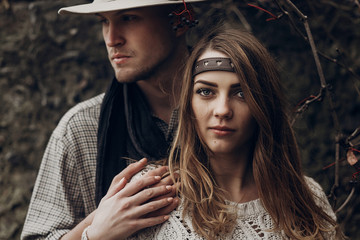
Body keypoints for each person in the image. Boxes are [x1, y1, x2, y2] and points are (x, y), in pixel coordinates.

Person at [126, 27, 344, 239]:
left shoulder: (306, 196)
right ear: (188, 102)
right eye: (206, 92)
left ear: (264, 105)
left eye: (241, 93)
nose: (222, 110)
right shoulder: (151, 191)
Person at [21, 0, 207, 239]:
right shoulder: (81, 128)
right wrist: (99, 226)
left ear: (180, 20)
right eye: (104, 21)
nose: (112, 39)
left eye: (128, 18)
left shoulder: (234, 115)